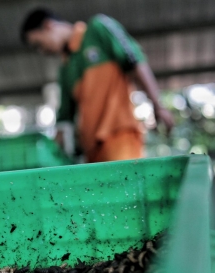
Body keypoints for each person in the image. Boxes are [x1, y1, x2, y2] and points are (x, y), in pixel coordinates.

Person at [20, 8, 174, 162]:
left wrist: (158, 105)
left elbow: (135, 61)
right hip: (91, 150)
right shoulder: (65, 69)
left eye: (38, 44)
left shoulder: (98, 29)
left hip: (119, 136)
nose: (42, 51)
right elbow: (65, 116)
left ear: (48, 26)